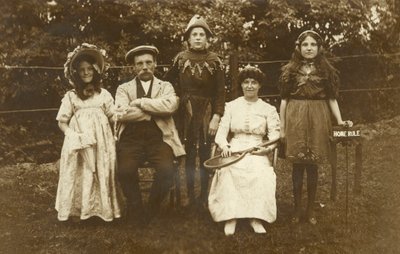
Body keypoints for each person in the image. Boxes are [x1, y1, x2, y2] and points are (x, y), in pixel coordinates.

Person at [279, 30, 353, 225]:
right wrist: (283, 128)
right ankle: (296, 209)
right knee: (298, 164)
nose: (309, 48)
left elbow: (331, 99)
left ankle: (310, 209)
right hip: (296, 116)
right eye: (305, 45)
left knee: (313, 164)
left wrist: (340, 121)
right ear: (299, 47)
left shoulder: (325, 71)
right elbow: (284, 101)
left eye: (313, 45)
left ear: (319, 48)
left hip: (319, 118)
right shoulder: (290, 70)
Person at [114, 45, 185, 225]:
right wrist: (153, 109)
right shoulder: (123, 89)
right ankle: (136, 208)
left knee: (167, 170)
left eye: (148, 62)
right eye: (140, 63)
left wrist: (140, 102)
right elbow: (122, 114)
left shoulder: (166, 86)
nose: (144, 67)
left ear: (155, 64)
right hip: (131, 139)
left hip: (159, 138)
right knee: (125, 170)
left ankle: (151, 208)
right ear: (134, 67)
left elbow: (170, 107)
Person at [208, 65, 280, 236]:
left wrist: (266, 149)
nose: (249, 86)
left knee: (261, 173)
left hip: (257, 148)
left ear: (259, 85)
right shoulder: (231, 106)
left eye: (253, 82)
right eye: (246, 82)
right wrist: (224, 146)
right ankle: (230, 216)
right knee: (228, 170)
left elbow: (275, 136)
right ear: (241, 85)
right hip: (234, 147)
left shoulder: (268, 109)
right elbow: (221, 133)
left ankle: (256, 217)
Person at [164, 15, 226, 208]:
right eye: (194, 34)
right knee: (188, 153)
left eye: (202, 34)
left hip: (207, 111)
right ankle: (189, 195)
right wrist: (176, 100)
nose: (198, 38)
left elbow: (220, 92)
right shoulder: (180, 59)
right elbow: (167, 83)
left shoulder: (215, 61)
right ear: (188, 39)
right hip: (186, 111)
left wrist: (217, 116)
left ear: (207, 38)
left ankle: (205, 196)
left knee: (206, 153)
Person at [55, 43, 121, 222]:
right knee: (80, 173)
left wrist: (121, 115)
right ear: (76, 72)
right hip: (79, 142)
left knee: (100, 169)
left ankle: (102, 209)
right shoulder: (71, 96)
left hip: (102, 142)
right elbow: (62, 122)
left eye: (89, 69)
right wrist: (73, 136)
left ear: (96, 70)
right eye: (82, 69)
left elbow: (113, 116)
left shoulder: (104, 94)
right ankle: (80, 210)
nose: (86, 73)